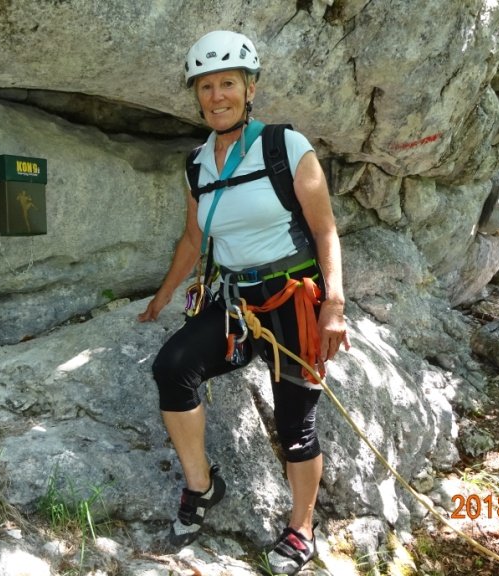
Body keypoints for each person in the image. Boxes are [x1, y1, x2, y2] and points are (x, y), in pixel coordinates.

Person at [137, 30, 349, 576]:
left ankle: (302, 528)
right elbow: (193, 240)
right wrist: (162, 297)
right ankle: (202, 486)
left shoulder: (285, 146)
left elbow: (325, 230)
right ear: (197, 95)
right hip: (236, 300)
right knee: (173, 367)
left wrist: (334, 304)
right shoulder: (197, 164)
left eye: (228, 83)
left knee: (295, 422)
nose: (217, 96)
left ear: (250, 88)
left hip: (293, 297)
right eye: (205, 87)